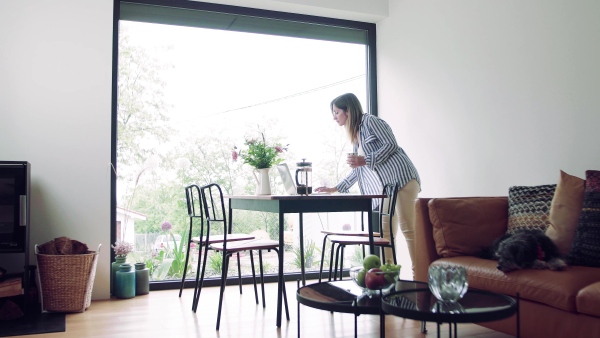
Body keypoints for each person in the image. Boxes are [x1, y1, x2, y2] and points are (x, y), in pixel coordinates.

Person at [315, 93, 421, 277]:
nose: (334, 117)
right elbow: (358, 170)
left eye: (336, 112)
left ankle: (420, 277)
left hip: (402, 179)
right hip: (388, 187)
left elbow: (391, 145)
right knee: (385, 233)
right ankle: (390, 276)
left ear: (348, 111)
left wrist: (366, 160)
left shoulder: (370, 121)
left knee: (408, 229)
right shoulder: (356, 136)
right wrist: (335, 188)